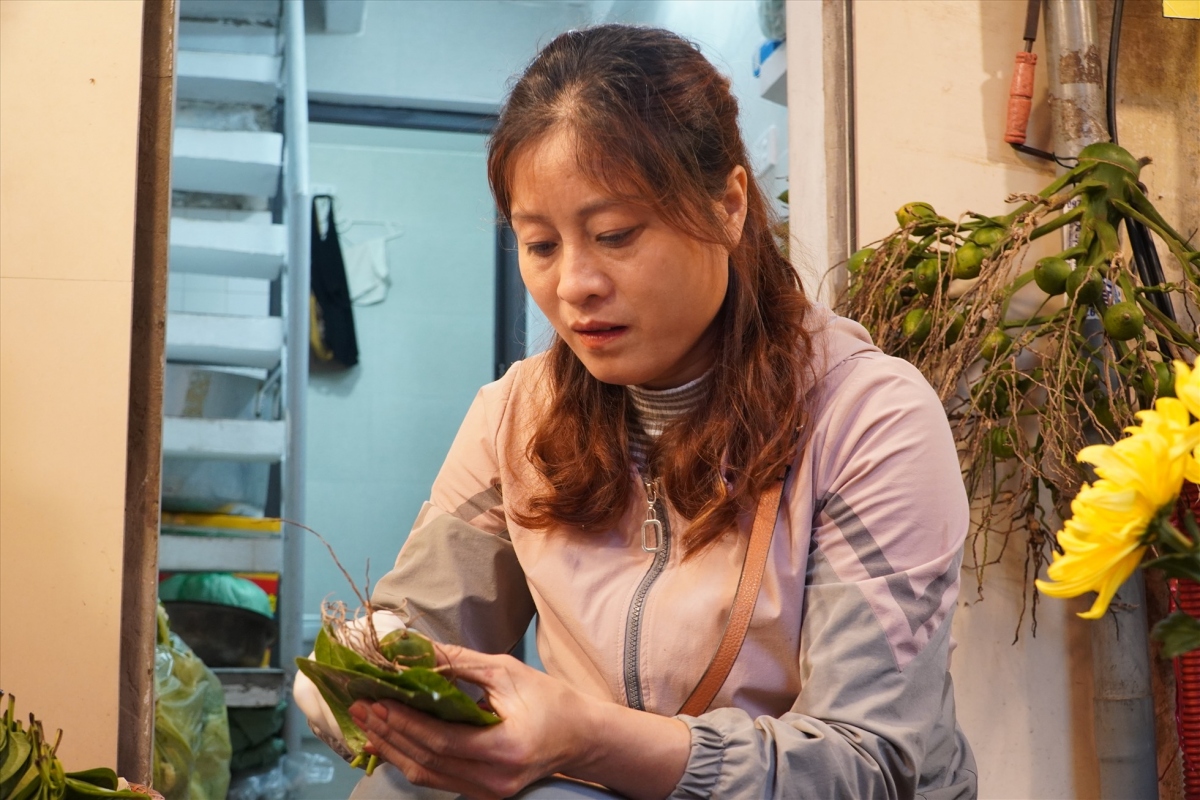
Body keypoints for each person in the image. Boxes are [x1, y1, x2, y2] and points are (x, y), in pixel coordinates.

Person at [295, 24, 977, 800]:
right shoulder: (516, 415)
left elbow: (869, 763)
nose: (575, 284)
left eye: (614, 235)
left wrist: (587, 738)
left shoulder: (868, 419)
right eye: (540, 245)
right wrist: (364, 672)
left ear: (726, 205)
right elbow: (418, 621)